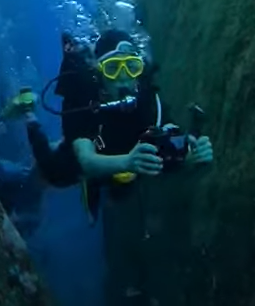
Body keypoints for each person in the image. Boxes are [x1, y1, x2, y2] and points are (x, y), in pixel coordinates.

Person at [60, 29, 214, 213]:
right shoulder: (86, 101)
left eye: (132, 67)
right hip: (102, 160)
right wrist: (126, 162)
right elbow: (86, 159)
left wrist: (189, 155)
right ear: (99, 73)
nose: (124, 76)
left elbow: (167, 134)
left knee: (122, 192)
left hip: (131, 164)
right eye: (112, 68)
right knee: (60, 172)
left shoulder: (148, 99)